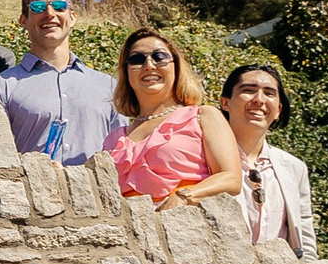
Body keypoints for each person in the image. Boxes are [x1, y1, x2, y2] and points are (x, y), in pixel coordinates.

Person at [0, 0, 122, 165]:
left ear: (73, 18)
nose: (50, 14)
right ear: (23, 20)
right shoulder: (0, 87)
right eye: (38, 7)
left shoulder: (108, 86)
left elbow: (121, 152)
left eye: (59, 7)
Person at [103, 29, 243, 209]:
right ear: (126, 71)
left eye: (159, 57)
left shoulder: (202, 116)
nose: (149, 65)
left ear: (176, 66)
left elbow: (231, 179)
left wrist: (184, 196)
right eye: (137, 59)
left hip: (186, 226)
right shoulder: (114, 140)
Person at [220, 64, 317, 260]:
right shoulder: (203, 158)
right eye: (248, 91)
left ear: (279, 109)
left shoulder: (294, 168)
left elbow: (304, 236)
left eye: (269, 93)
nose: (259, 100)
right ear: (225, 103)